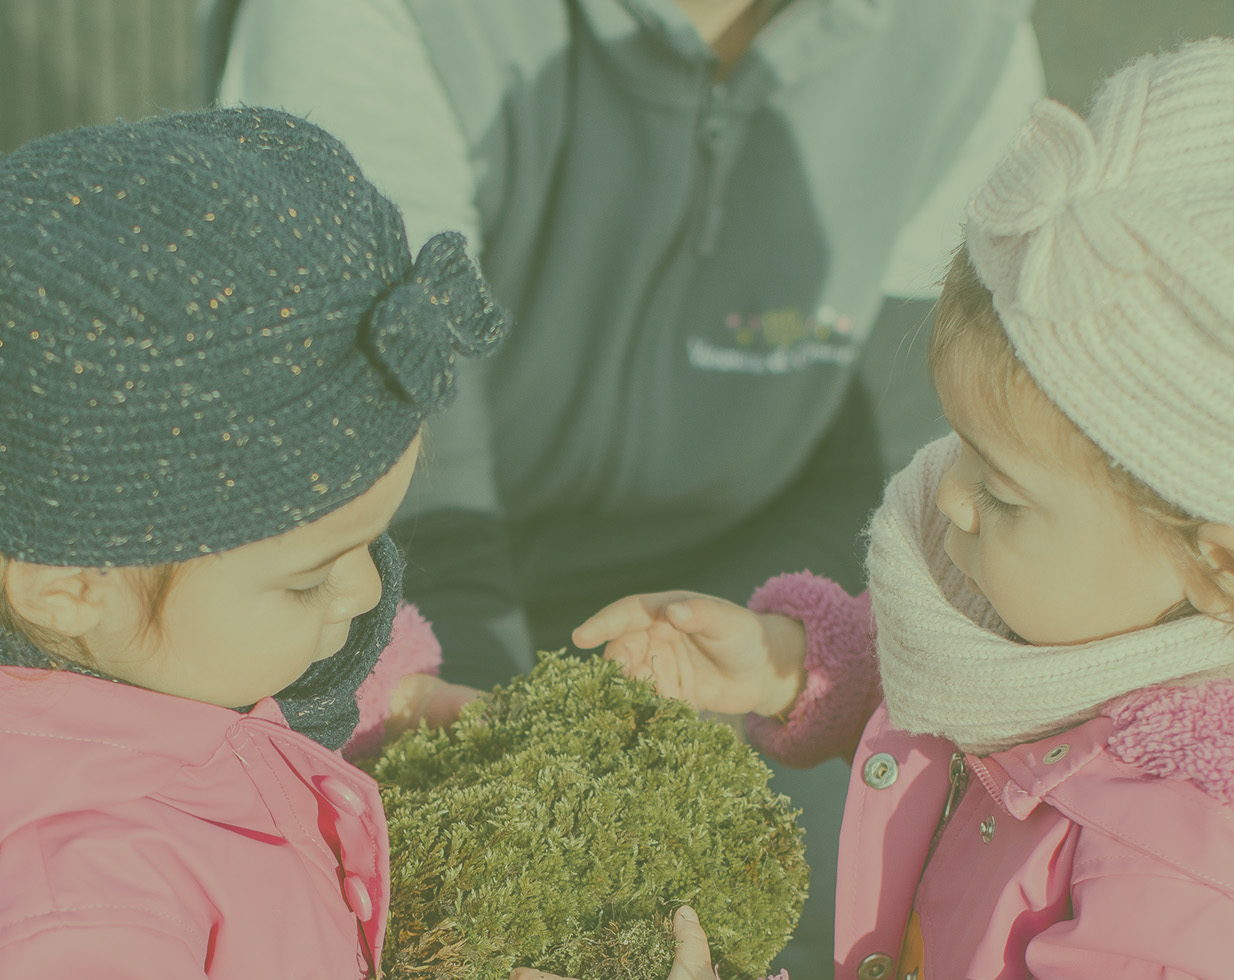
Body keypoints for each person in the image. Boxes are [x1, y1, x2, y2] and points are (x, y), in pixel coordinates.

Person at [575, 39, 1234, 978]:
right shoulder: (1199, 623)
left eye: (1001, 491)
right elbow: (1026, 702)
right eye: (957, 440)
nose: (948, 495)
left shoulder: (1181, 923)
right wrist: (798, 666)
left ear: (1222, 569)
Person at [203, 3, 1045, 971]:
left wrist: (770, 673)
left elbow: (892, 477)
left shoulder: (959, 39)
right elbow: (398, 488)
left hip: (752, 610)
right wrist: (530, 791)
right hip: (401, 588)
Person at [0, 105, 721, 979]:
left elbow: (255, 687)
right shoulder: (81, 906)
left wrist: (403, 698)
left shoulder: (152, 660)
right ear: (69, 583)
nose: (369, 593)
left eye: (371, 542)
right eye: (308, 580)